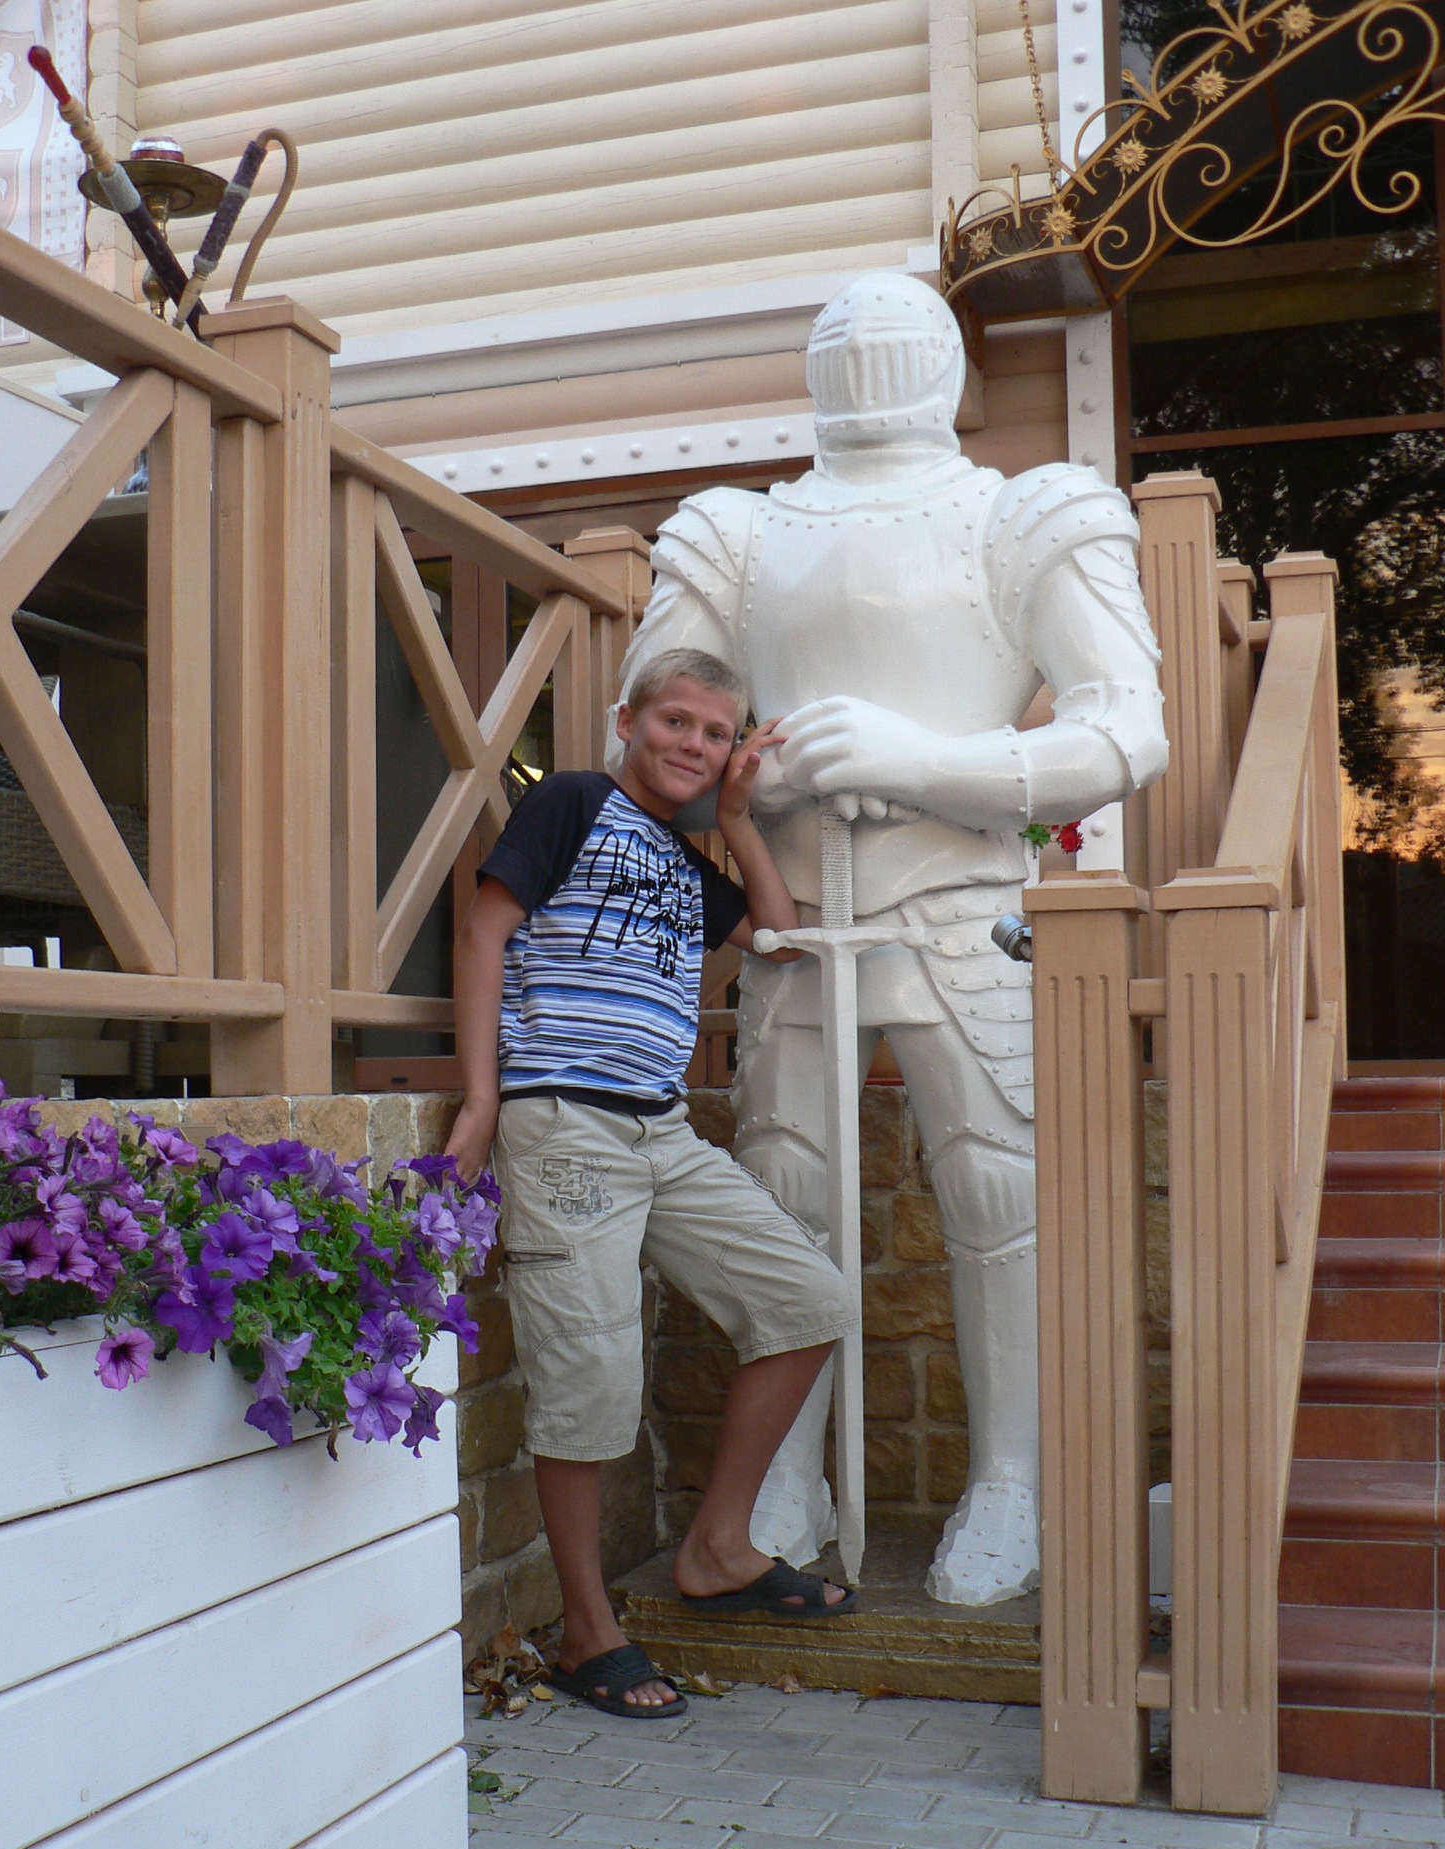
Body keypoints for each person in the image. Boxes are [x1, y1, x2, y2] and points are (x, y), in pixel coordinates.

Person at [614, 273, 1167, 1605]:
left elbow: (1124, 726)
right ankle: (781, 1476)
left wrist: (925, 758)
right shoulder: (736, 531)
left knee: (998, 1194)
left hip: (962, 902)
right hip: (799, 912)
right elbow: (644, 727)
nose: (865, 357)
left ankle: (1014, 1478)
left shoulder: (1024, 512)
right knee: (786, 1189)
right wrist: (756, 773)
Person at [446, 648, 860, 1718]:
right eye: (676, 721)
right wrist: (483, 1099)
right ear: (627, 719)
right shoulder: (574, 802)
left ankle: (719, 1546)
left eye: (717, 733)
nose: (693, 743)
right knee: (588, 1387)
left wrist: (739, 820)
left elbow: (778, 939)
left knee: (808, 1300)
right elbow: (485, 930)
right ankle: (590, 1632)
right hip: (563, 1123)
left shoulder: (686, 860)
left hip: (661, 1132)